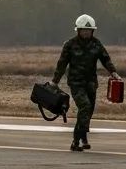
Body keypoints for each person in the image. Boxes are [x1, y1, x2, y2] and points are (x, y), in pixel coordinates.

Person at [51, 14, 120, 152]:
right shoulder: (69, 45)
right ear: (78, 30)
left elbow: (106, 59)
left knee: (88, 111)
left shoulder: (97, 43)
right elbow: (62, 64)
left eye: (89, 30)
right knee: (85, 107)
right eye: (84, 30)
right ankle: (76, 140)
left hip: (91, 83)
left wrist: (113, 72)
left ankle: (83, 137)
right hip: (76, 83)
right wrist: (55, 81)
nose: (86, 32)